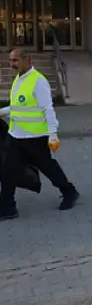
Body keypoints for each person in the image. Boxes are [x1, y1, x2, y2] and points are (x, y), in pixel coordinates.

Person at [0, 49, 79, 220]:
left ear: (26, 60)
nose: (11, 65)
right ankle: (7, 208)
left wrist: (53, 135)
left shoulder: (38, 82)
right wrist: (3, 112)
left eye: (15, 61)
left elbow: (48, 109)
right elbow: (18, 108)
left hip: (35, 138)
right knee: (7, 171)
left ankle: (69, 191)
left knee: (48, 168)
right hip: (15, 135)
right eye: (10, 61)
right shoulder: (19, 80)